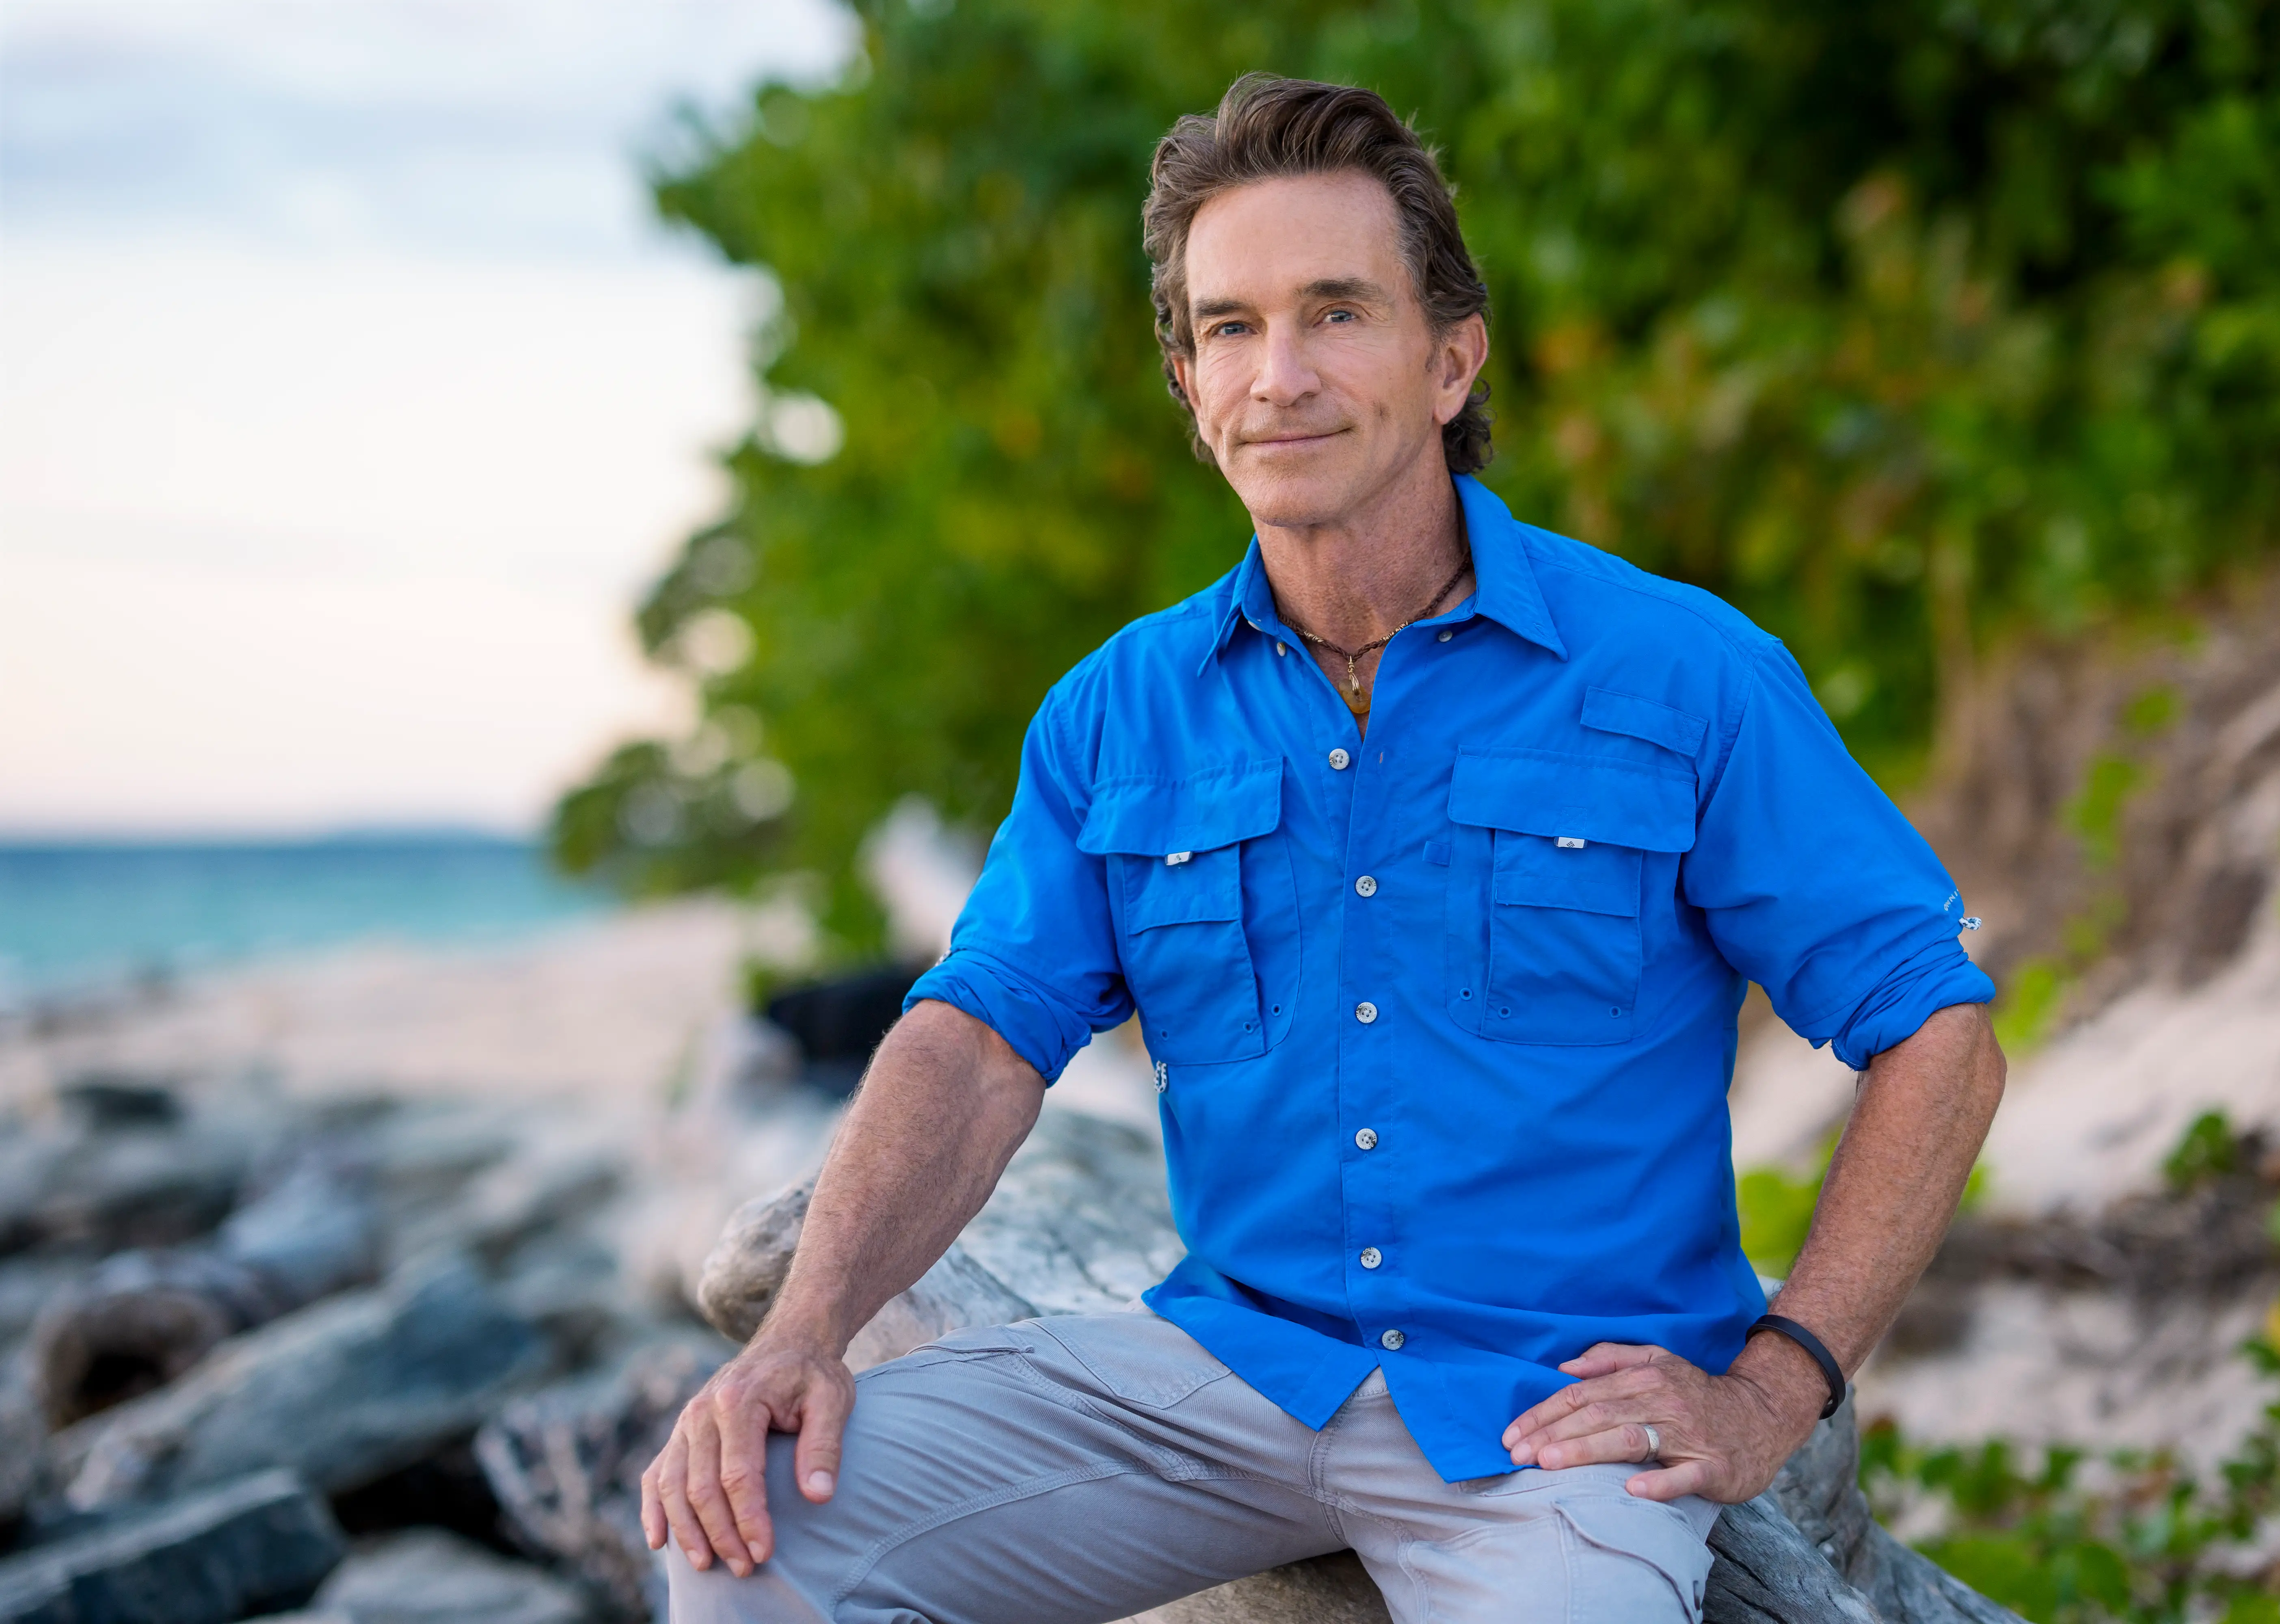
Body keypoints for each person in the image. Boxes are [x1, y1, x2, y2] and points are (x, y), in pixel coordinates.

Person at [645, 73, 2005, 1624]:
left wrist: (1779, 1387)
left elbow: (1935, 1030)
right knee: (753, 1532)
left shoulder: (1681, 674)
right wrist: (800, 1331)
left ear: (1450, 361)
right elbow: (973, 1043)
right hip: (1229, 1371)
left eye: (1336, 313)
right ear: (1188, 383)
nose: (1278, 374)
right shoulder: (1120, 712)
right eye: (1230, 327)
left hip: (1551, 1421)